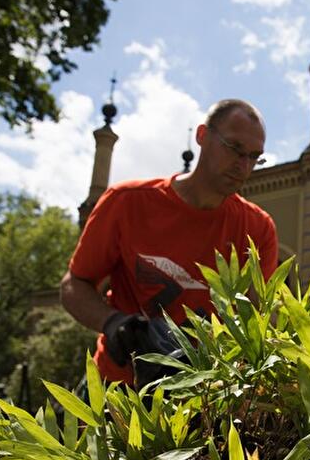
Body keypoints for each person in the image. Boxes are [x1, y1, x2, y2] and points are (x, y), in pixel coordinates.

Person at [60, 99, 279, 385]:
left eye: (254, 156)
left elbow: (256, 324)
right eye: (234, 149)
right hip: (117, 393)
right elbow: (74, 285)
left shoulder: (258, 229)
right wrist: (113, 324)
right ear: (202, 136)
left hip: (203, 401)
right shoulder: (127, 203)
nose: (243, 166)